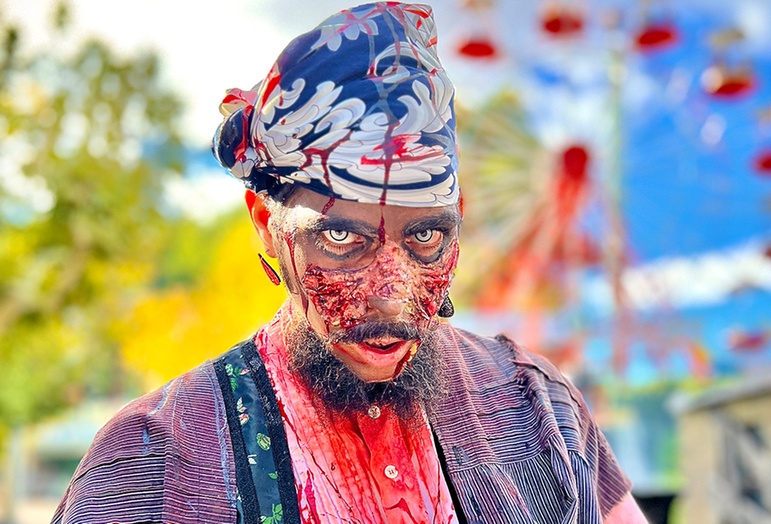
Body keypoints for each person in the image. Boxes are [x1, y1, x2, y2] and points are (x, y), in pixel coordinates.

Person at [52, 3, 647, 523]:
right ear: (266, 223)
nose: (390, 294)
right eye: (341, 238)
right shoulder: (147, 468)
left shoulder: (539, 414)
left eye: (427, 238)